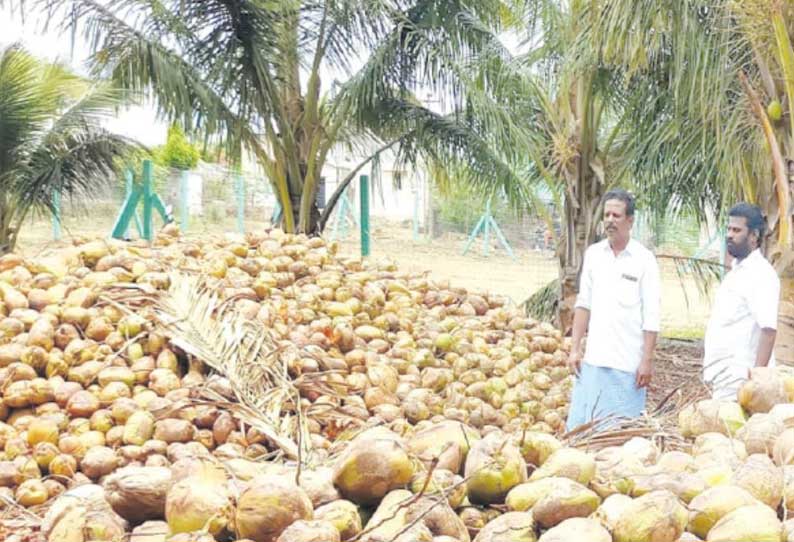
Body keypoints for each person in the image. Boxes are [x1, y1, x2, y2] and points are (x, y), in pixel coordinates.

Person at [566, 189, 661, 431]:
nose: (609, 220)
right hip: (594, 361)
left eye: (616, 215)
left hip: (627, 365)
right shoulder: (594, 254)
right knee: (583, 432)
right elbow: (583, 304)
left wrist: (646, 360)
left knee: (619, 437)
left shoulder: (644, 260)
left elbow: (651, 315)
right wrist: (575, 348)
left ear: (630, 221)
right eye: (606, 214)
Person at [703, 203, 779, 400]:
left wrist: (756, 384)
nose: (729, 235)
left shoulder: (761, 274)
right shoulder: (737, 271)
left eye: (736, 230)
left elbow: (768, 330)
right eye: (728, 229)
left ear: (754, 236)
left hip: (743, 384)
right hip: (724, 380)